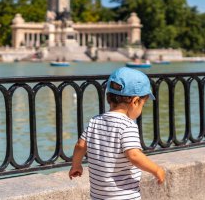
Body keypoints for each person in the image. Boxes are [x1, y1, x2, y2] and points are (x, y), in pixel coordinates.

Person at [69, 67, 165, 199]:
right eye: (143, 104)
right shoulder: (127, 125)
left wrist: (76, 165)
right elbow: (134, 155)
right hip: (124, 196)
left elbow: (80, 145)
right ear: (135, 101)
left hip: (98, 195)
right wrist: (156, 169)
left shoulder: (94, 121)